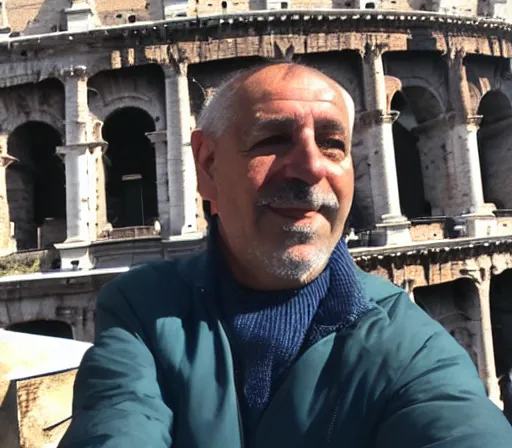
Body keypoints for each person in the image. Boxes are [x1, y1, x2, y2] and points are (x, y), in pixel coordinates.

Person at [59, 62, 512, 447]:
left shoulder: (413, 344)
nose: (312, 166)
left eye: (333, 144)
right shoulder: (141, 309)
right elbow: (116, 424)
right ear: (207, 166)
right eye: (273, 140)